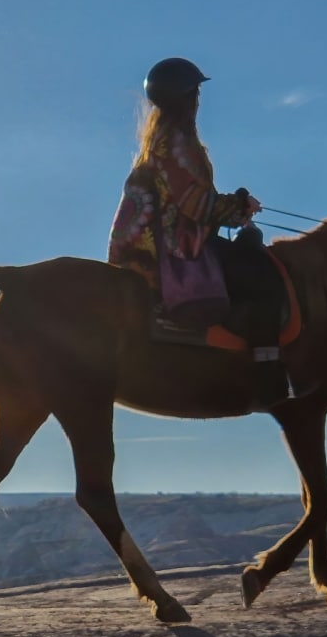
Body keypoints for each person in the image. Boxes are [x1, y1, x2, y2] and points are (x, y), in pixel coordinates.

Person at [107, 57, 291, 405]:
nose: (198, 100)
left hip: (160, 240)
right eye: (195, 93)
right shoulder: (179, 144)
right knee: (261, 276)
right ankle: (266, 375)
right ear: (186, 99)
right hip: (177, 248)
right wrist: (238, 207)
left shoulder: (160, 139)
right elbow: (195, 205)